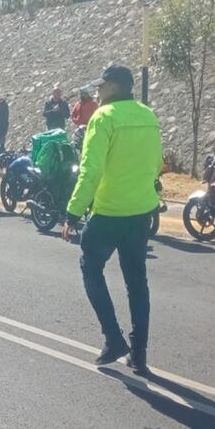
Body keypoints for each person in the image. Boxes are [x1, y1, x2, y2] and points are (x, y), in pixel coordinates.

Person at [62, 65, 162, 375]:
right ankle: (140, 353)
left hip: (108, 212)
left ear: (116, 87)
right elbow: (156, 162)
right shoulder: (148, 115)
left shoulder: (103, 118)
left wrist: (72, 212)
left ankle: (113, 339)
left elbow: (91, 170)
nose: (98, 91)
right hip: (141, 211)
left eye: (103, 86)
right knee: (137, 282)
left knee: (90, 268)